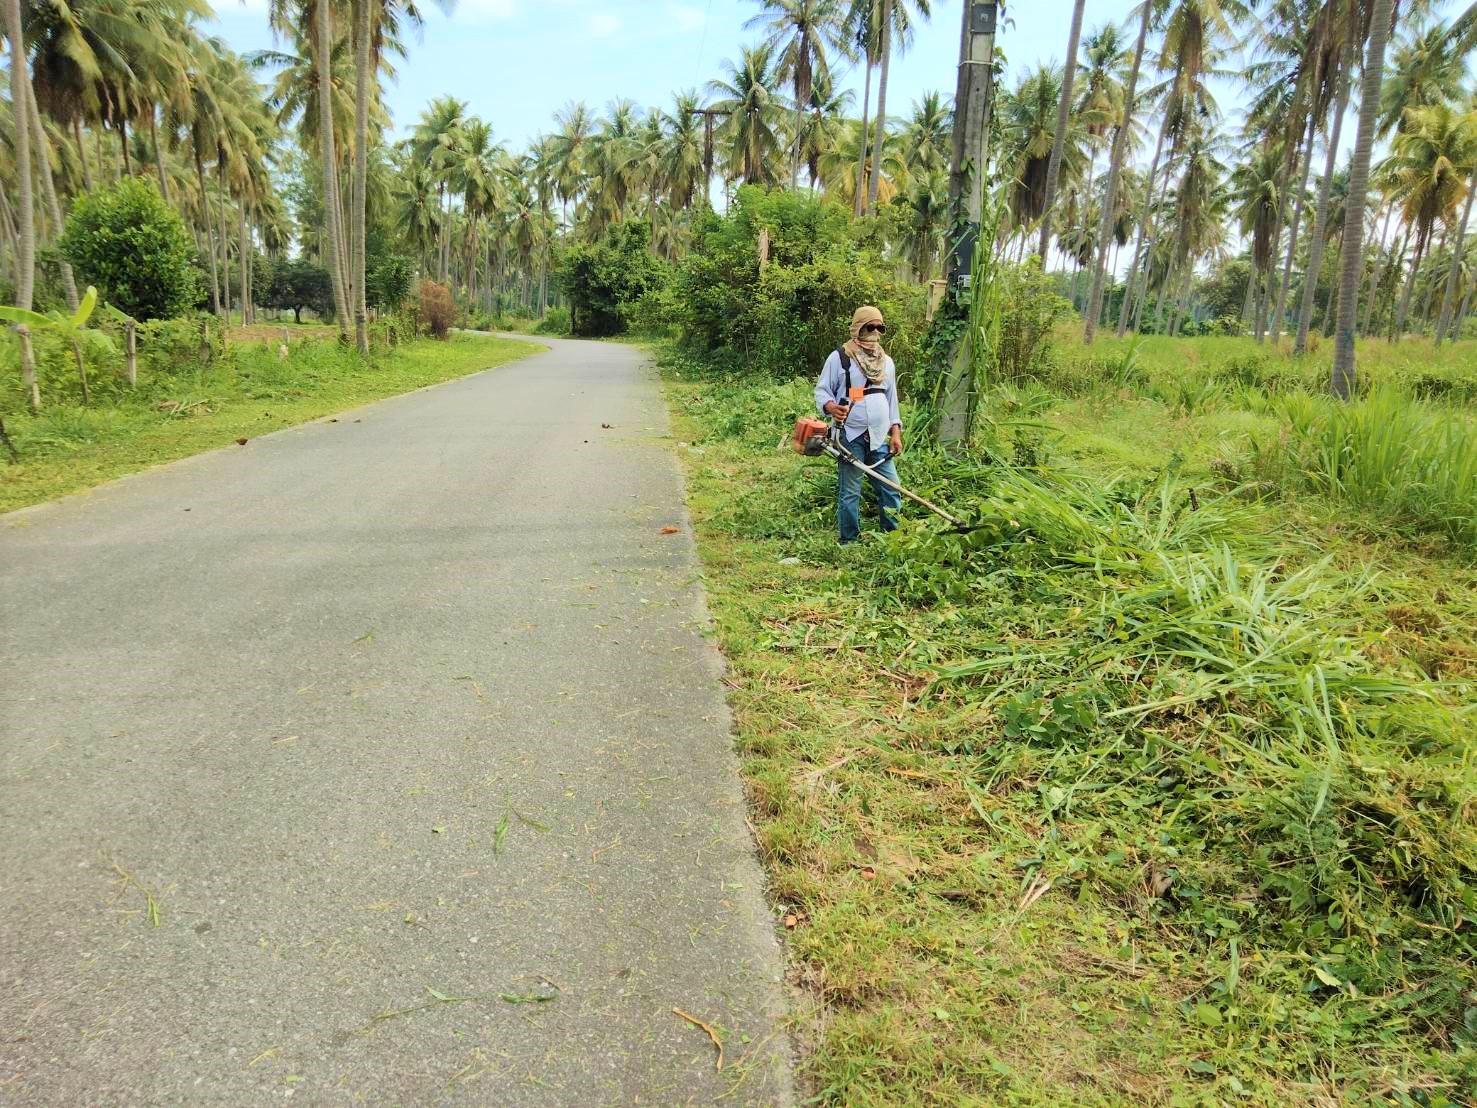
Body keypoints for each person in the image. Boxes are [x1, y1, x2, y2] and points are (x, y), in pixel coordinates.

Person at [814, 305, 903, 544]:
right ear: (858, 327)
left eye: (879, 327)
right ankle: (849, 541)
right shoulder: (841, 357)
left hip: (878, 437)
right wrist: (832, 408)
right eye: (869, 326)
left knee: (891, 487)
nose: (875, 331)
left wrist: (895, 433)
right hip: (850, 436)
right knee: (851, 492)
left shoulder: (887, 363)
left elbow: (892, 401)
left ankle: (891, 538)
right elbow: (822, 392)